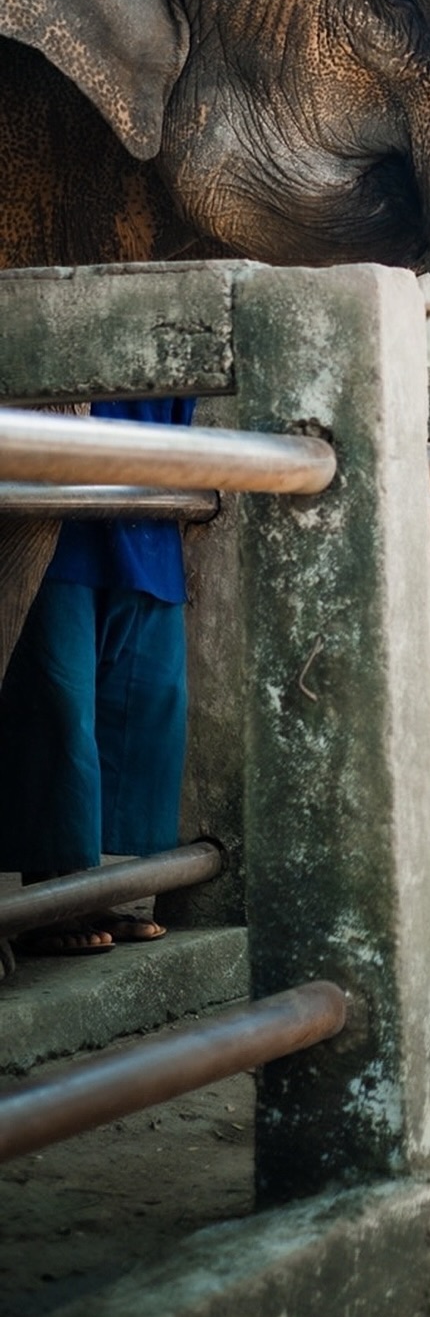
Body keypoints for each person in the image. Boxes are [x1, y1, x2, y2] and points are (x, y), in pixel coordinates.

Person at [0, 396, 194, 955]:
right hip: (55, 491)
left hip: (151, 501)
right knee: (58, 698)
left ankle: (94, 884)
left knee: (150, 694)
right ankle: (54, 886)